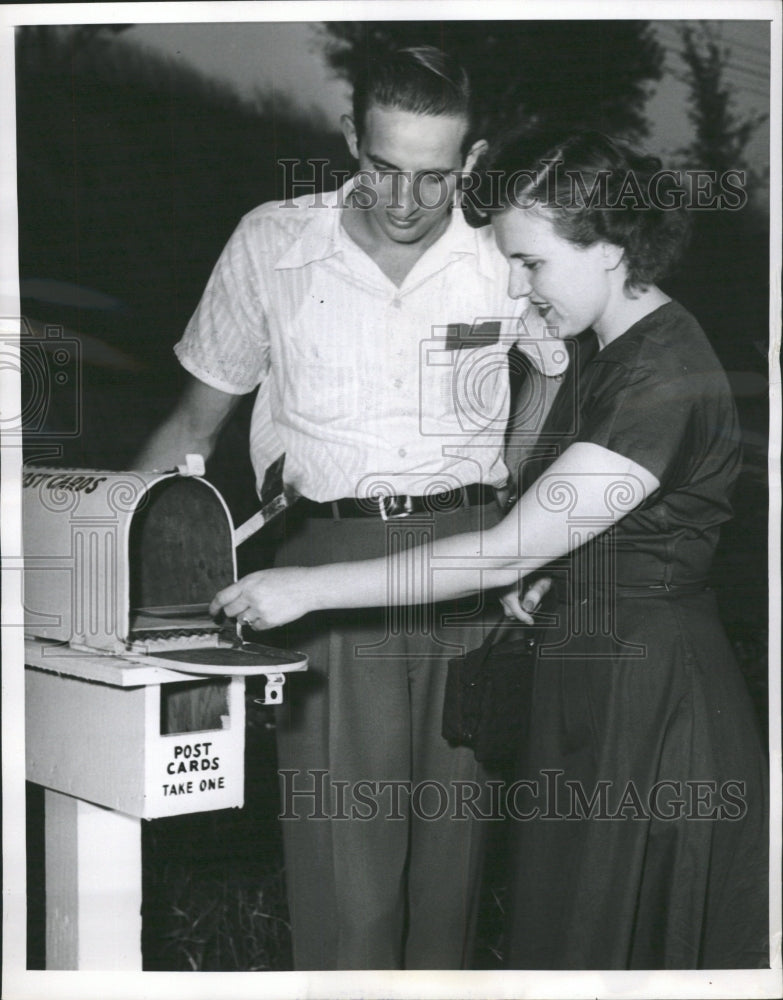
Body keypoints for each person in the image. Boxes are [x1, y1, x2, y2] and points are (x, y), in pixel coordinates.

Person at [211, 130, 769, 969]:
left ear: (611, 244)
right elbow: (620, 526)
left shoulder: (659, 375)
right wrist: (570, 577)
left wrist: (304, 588)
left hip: (649, 708)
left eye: (531, 263)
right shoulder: (618, 351)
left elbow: (502, 549)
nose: (515, 285)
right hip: (602, 687)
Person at [135, 47, 565, 970]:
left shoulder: (508, 257)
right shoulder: (271, 243)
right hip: (322, 573)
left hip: (471, 567)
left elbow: (558, 395)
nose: (405, 200)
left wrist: (527, 495)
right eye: (382, 168)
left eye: (435, 177)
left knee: (450, 879)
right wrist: (105, 563)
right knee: (346, 885)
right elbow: (192, 424)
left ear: (474, 158)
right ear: (348, 140)